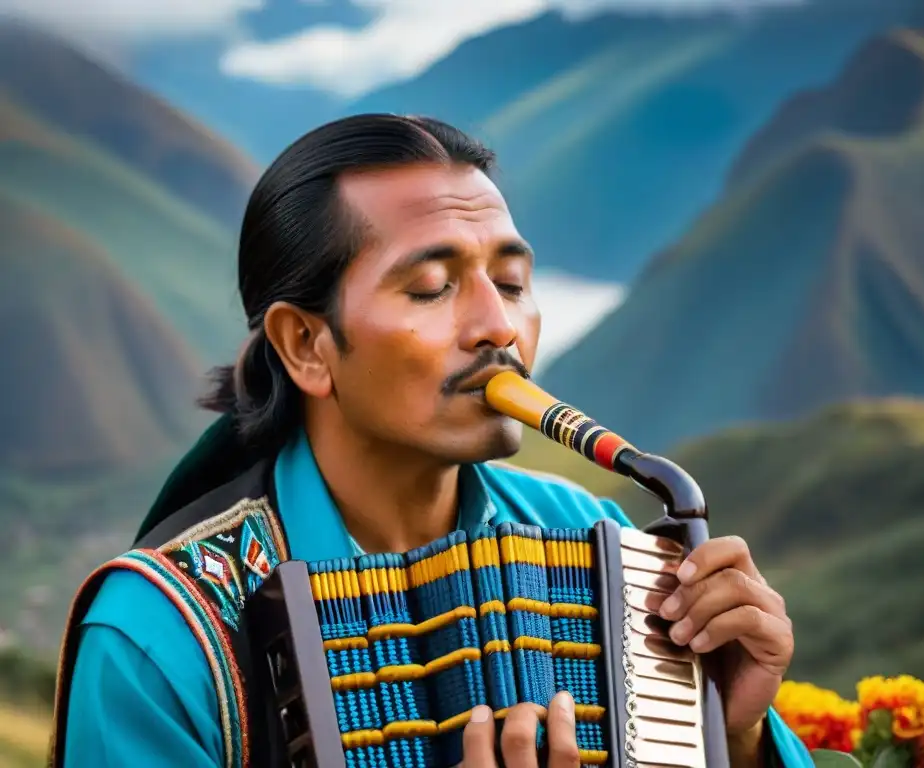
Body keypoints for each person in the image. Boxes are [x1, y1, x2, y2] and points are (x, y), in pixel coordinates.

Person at [50, 114, 812, 767]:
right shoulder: (155, 641)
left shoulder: (589, 538)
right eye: (430, 288)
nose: (499, 327)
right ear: (307, 344)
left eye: (511, 283)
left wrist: (734, 734)